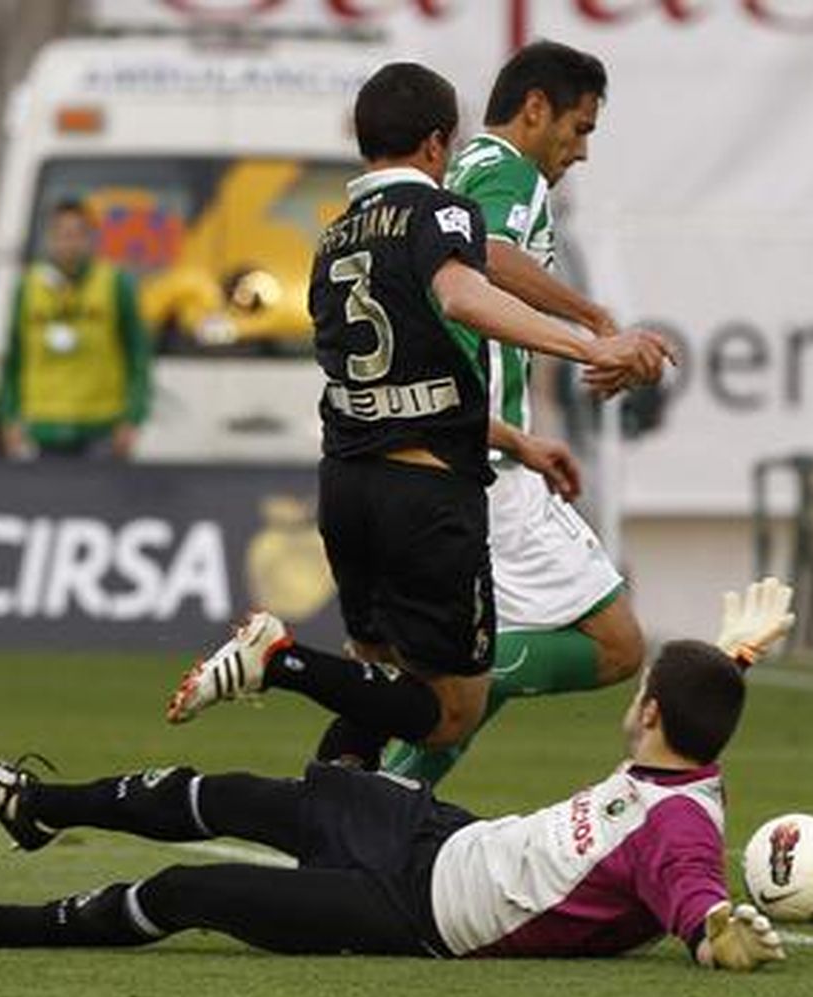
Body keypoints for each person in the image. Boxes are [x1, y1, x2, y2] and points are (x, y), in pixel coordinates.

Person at [163, 63, 671, 764]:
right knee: (473, 697)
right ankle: (281, 662)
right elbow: (469, 288)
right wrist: (591, 337)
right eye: (580, 128)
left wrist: (514, 437)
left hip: (349, 486)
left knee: (379, 690)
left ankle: (328, 803)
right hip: (430, 492)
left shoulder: (335, 239)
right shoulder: (447, 210)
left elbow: (402, 381)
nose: (581, 148)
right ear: (436, 144)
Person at [0, 579, 795, 970]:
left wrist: (719, 934)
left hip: (414, 915)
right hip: (437, 835)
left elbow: (693, 897)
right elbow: (696, 712)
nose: (632, 699)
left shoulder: (682, 830)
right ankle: (35, 805)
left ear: (650, 714)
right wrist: (734, 656)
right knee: (225, 793)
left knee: (187, 893)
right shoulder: (680, 758)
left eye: (641, 691)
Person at [380, 40, 648, 784]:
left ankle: (384, 795)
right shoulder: (510, 171)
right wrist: (595, 321)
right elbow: (491, 258)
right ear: (536, 109)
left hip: (458, 455)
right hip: (493, 474)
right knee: (618, 646)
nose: (582, 151)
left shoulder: (463, 169)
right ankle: (430, 682)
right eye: (579, 128)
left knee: (489, 659)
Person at [0, 200, 152, 459]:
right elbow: (14, 357)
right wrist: (9, 416)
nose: (69, 243)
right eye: (62, 235)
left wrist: (133, 417)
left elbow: (138, 354)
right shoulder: (28, 287)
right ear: (50, 239)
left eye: (77, 234)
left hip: (102, 425)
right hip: (43, 425)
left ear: (90, 239)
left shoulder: (115, 283)